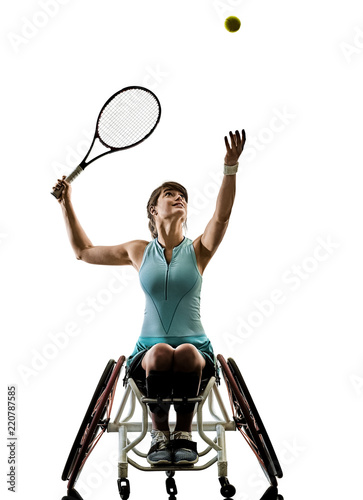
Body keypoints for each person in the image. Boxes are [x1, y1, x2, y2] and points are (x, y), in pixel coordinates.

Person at [53, 129, 246, 466]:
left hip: (195, 347)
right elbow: (83, 251)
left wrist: (230, 168)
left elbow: (222, 216)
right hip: (149, 349)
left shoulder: (199, 250)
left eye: (183, 196)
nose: (179, 198)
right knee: (159, 353)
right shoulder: (137, 251)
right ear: (153, 211)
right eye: (170, 194)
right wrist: (65, 202)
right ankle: (160, 434)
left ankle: (184, 434)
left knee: (185, 352)